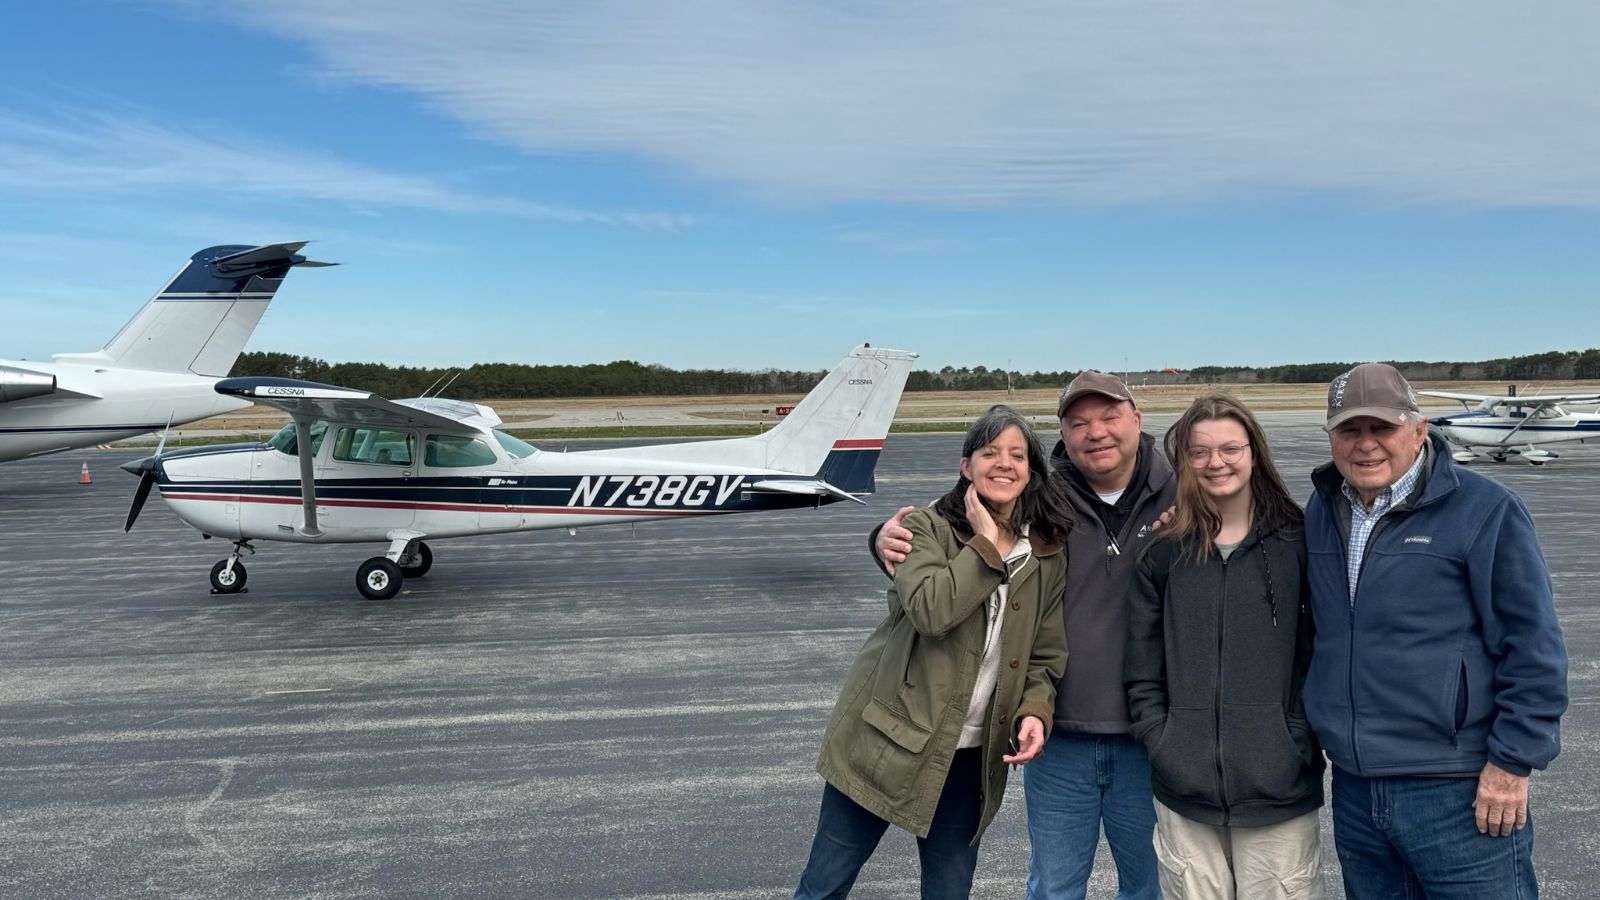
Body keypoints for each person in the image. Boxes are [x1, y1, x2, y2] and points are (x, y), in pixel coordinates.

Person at [874, 371, 1173, 900]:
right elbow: (957, 520)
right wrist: (880, 537)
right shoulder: (1041, 496)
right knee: (1054, 887)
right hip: (1058, 734)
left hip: (1152, 734)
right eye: (1078, 423)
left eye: (1109, 417)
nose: (1095, 432)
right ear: (1063, 433)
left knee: (1152, 885)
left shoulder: (1184, 494)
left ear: (1137, 420)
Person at [1303, 363, 1569, 899]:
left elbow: (1534, 648)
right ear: (1332, 438)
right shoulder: (1323, 508)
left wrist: (1511, 763)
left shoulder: (1485, 509)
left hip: (1458, 790)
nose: (1366, 445)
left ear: (1419, 429)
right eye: (1350, 430)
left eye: (1383, 428)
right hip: (1356, 789)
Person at [795, 405, 1073, 900]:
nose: (1004, 463)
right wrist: (986, 546)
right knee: (825, 885)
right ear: (966, 466)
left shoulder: (1044, 552)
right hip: (885, 740)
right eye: (990, 452)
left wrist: (1035, 709)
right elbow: (930, 611)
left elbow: (1044, 654)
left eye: (1017, 454)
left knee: (950, 889)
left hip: (970, 759)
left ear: (1031, 469)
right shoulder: (922, 529)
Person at [1124, 392, 1325, 899]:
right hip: (1183, 790)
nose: (1217, 463)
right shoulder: (1163, 553)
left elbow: (1321, 654)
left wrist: (1295, 738)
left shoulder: (1300, 543)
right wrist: (1162, 739)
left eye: (1230, 448)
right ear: (1185, 462)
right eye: (1200, 451)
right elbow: (1143, 665)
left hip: (1279, 788)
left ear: (1254, 452)